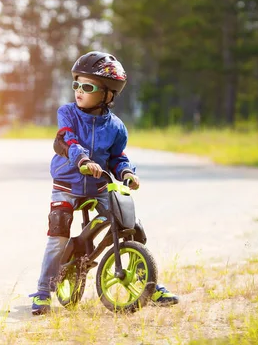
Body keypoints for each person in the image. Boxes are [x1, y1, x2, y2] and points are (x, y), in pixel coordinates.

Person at [29, 51, 179, 315]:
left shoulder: (117, 127)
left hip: (99, 186)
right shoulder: (67, 113)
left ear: (108, 95)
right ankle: (43, 290)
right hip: (67, 183)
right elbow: (68, 141)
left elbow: (118, 157)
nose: (78, 91)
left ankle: (149, 285)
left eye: (87, 87)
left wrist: (127, 173)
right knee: (58, 234)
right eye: (76, 84)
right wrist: (83, 160)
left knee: (131, 227)